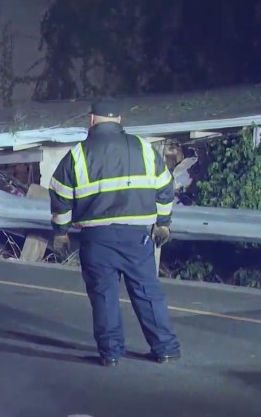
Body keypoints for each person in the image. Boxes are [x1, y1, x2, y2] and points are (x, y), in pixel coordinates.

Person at [49, 98, 180, 367]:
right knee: (147, 291)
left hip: (97, 238)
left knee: (104, 295)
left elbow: (60, 195)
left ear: (92, 120)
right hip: (137, 236)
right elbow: (166, 188)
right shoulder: (144, 148)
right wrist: (163, 223)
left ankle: (110, 354)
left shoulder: (78, 154)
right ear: (120, 119)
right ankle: (165, 349)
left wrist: (60, 232)